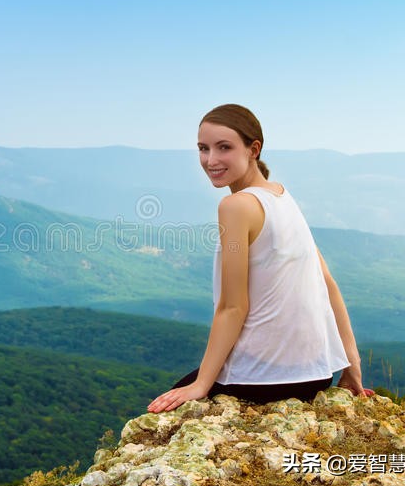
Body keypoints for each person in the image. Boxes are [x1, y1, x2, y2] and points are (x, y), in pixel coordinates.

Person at [148, 104, 370, 413]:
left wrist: (201, 386)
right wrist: (351, 364)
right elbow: (327, 282)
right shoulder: (281, 195)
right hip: (315, 375)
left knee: (168, 409)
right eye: (203, 148)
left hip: (263, 379)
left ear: (254, 149)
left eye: (224, 147)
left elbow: (233, 307)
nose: (211, 160)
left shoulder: (236, 207)